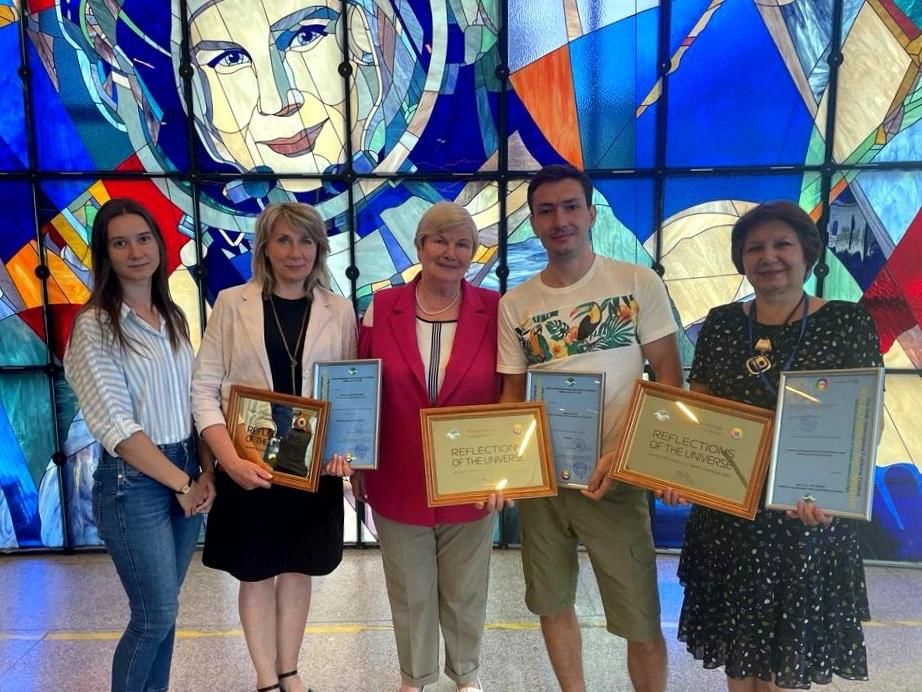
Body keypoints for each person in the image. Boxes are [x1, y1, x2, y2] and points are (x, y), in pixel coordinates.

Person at [670, 201, 882, 690]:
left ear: (807, 251)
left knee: (783, 660)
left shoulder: (847, 322)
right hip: (729, 515)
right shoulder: (722, 324)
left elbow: (861, 421)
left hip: (804, 517)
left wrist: (836, 495)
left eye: (782, 244)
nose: (769, 257)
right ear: (741, 259)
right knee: (739, 657)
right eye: (755, 248)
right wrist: (680, 471)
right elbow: (700, 409)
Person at [497, 164, 682, 692]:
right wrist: (506, 471)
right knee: (551, 602)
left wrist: (630, 455)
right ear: (534, 222)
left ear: (591, 214)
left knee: (639, 617)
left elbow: (669, 379)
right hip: (545, 483)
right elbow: (512, 397)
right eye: (546, 211)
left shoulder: (636, 282)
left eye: (570, 206)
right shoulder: (516, 305)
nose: (560, 220)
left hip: (616, 476)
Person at [191, 202, 356, 692]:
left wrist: (346, 451)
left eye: (306, 241)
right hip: (248, 463)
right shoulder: (231, 303)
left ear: (319, 249)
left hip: (312, 467)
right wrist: (229, 461)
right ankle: (265, 677)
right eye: (283, 240)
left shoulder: (338, 309)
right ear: (264, 248)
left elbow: (350, 390)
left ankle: (290, 669)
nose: (295, 252)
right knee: (256, 571)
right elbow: (203, 390)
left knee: (299, 568)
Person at [63, 198, 216, 692]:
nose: (136, 252)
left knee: (165, 612)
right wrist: (182, 484)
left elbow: (194, 401)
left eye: (144, 239)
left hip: (185, 467)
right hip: (135, 482)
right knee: (154, 614)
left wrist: (204, 472)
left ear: (159, 245)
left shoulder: (171, 316)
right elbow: (118, 429)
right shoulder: (95, 326)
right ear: (105, 255)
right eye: (120, 243)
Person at [352, 202, 500, 692]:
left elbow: (512, 391)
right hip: (398, 474)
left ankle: (466, 676)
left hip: (471, 476)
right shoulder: (381, 307)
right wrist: (358, 461)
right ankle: (413, 678)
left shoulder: (496, 309)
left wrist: (510, 469)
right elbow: (361, 387)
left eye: (462, 244)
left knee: (465, 589)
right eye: (440, 240)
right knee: (411, 590)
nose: (450, 252)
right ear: (419, 246)